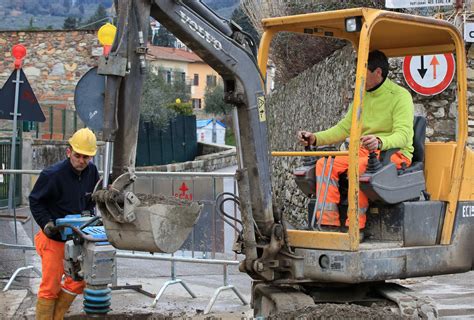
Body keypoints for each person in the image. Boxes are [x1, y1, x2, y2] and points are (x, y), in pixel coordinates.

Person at [297, 50, 414, 232]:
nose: (358, 77)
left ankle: (355, 227)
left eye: (362, 72)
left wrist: (379, 141)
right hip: (363, 153)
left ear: (377, 72)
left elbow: (404, 135)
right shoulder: (361, 97)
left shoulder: (400, 96)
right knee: (324, 164)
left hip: (395, 154)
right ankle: (328, 223)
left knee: (358, 167)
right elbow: (344, 128)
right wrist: (315, 138)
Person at [30, 128, 100, 320]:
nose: (82, 161)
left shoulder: (91, 172)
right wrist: (46, 223)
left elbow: (90, 198)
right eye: (78, 156)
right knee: (50, 286)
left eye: (87, 157)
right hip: (53, 239)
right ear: (69, 152)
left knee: (78, 281)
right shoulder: (52, 175)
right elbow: (35, 201)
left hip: (77, 238)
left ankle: (56, 317)